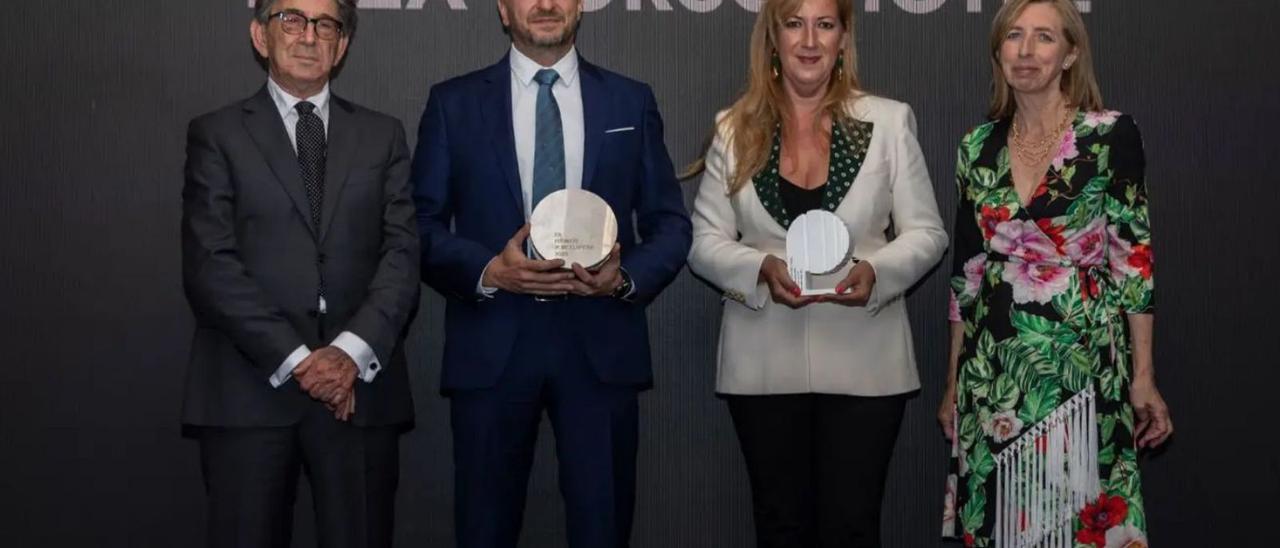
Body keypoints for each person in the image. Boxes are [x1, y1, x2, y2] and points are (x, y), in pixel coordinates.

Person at [409, 0, 692, 545]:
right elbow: (416, 225)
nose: (545, 4)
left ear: (581, 6)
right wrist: (490, 269)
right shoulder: (454, 103)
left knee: (603, 529)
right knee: (483, 530)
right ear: (503, 9)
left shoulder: (630, 99)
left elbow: (670, 224)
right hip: (491, 347)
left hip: (600, 345)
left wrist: (623, 277)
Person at [685, 0, 947, 545]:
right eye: (794, 24)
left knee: (853, 526)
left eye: (824, 25)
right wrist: (759, 267)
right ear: (773, 38)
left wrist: (877, 270)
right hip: (763, 361)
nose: (809, 40)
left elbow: (927, 233)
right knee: (780, 527)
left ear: (843, 38)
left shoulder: (889, 121)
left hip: (866, 362)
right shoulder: (734, 129)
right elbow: (703, 243)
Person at [180, 1, 419, 546]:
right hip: (248, 393)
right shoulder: (215, 134)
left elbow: (402, 254)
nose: (309, 36)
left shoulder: (383, 136)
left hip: (359, 397)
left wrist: (348, 355)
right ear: (260, 37)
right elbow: (210, 265)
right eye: (292, 19)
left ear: (343, 45)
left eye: (326, 24)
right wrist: (303, 362)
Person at [937, 1, 1173, 546]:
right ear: (997, 52)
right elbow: (966, 277)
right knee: (1004, 525)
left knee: (1077, 522)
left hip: (1081, 367)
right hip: (993, 374)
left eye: (1044, 37)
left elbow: (1133, 260)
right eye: (1014, 36)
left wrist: (1142, 376)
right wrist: (952, 382)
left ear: (1070, 54)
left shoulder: (1109, 136)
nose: (1026, 50)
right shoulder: (976, 147)